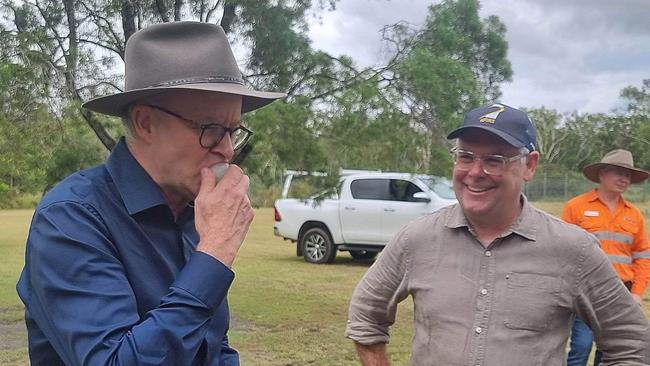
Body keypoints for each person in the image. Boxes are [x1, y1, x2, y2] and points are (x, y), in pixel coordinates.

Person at [16, 21, 285, 365]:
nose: (228, 150)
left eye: (233, 131)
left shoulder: (192, 211)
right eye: (211, 129)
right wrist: (214, 254)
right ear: (145, 123)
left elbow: (212, 343)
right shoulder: (71, 218)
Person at [345, 103, 650, 365]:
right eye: (466, 156)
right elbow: (365, 316)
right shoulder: (416, 239)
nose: (475, 172)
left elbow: (632, 342)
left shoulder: (575, 250)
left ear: (529, 166)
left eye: (494, 159)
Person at [563, 149, 650, 366]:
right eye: (618, 172)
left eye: (628, 175)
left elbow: (642, 256)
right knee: (581, 348)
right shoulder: (576, 207)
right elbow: (562, 251)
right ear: (602, 174)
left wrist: (637, 293)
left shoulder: (634, 214)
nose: (624, 179)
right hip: (586, 292)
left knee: (613, 351)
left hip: (622, 293)